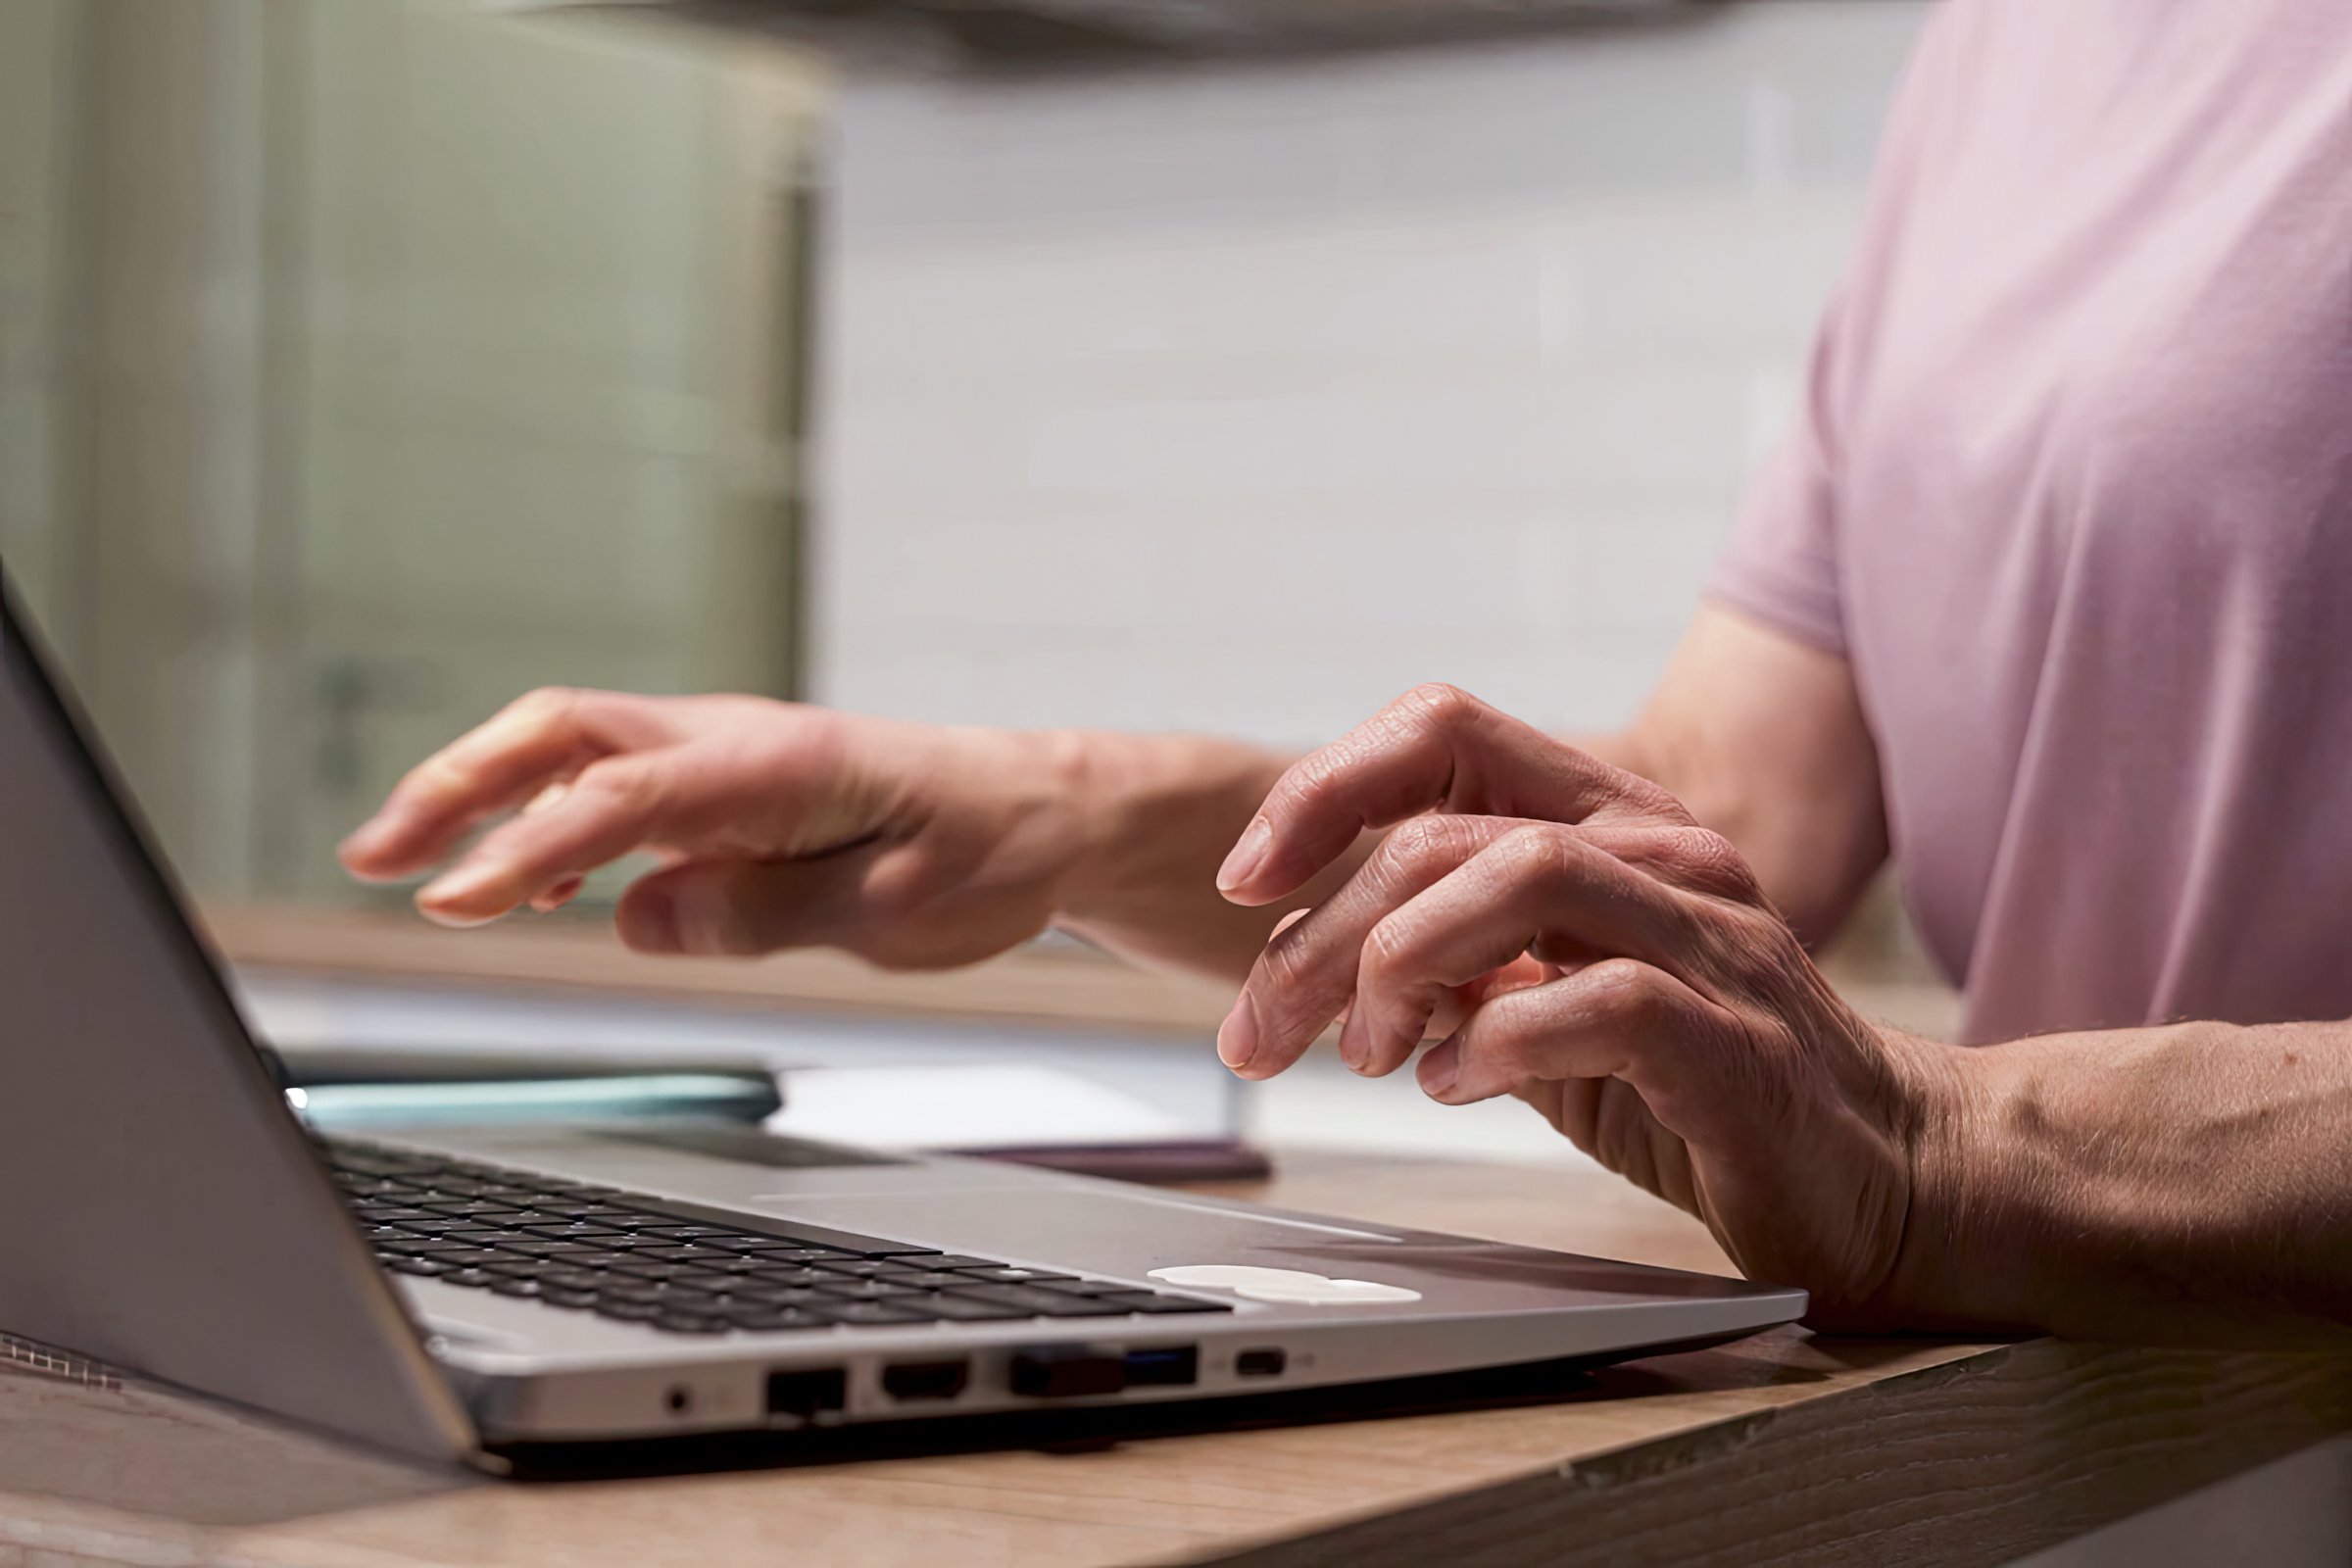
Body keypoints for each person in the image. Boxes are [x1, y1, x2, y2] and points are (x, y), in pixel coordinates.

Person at [340, 0, 2352, 1346]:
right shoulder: (2018, 41)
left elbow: (1868, 1072)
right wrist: (1063, 806)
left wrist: (1959, 1151)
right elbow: (1723, 815)